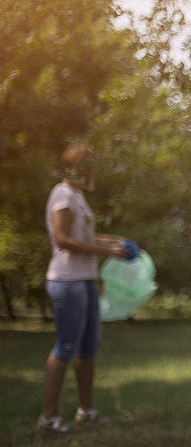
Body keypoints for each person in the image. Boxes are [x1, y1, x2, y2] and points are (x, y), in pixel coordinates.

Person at [37, 143, 132, 432]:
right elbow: (64, 239)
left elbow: (88, 236)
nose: (91, 170)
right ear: (71, 166)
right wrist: (107, 252)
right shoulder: (62, 194)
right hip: (67, 281)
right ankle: (48, 417)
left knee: (89, 348)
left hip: (86, 282)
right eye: (86, 164)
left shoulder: (78, 197)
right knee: (66, 346)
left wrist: (116, 242)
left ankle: (86, 410)